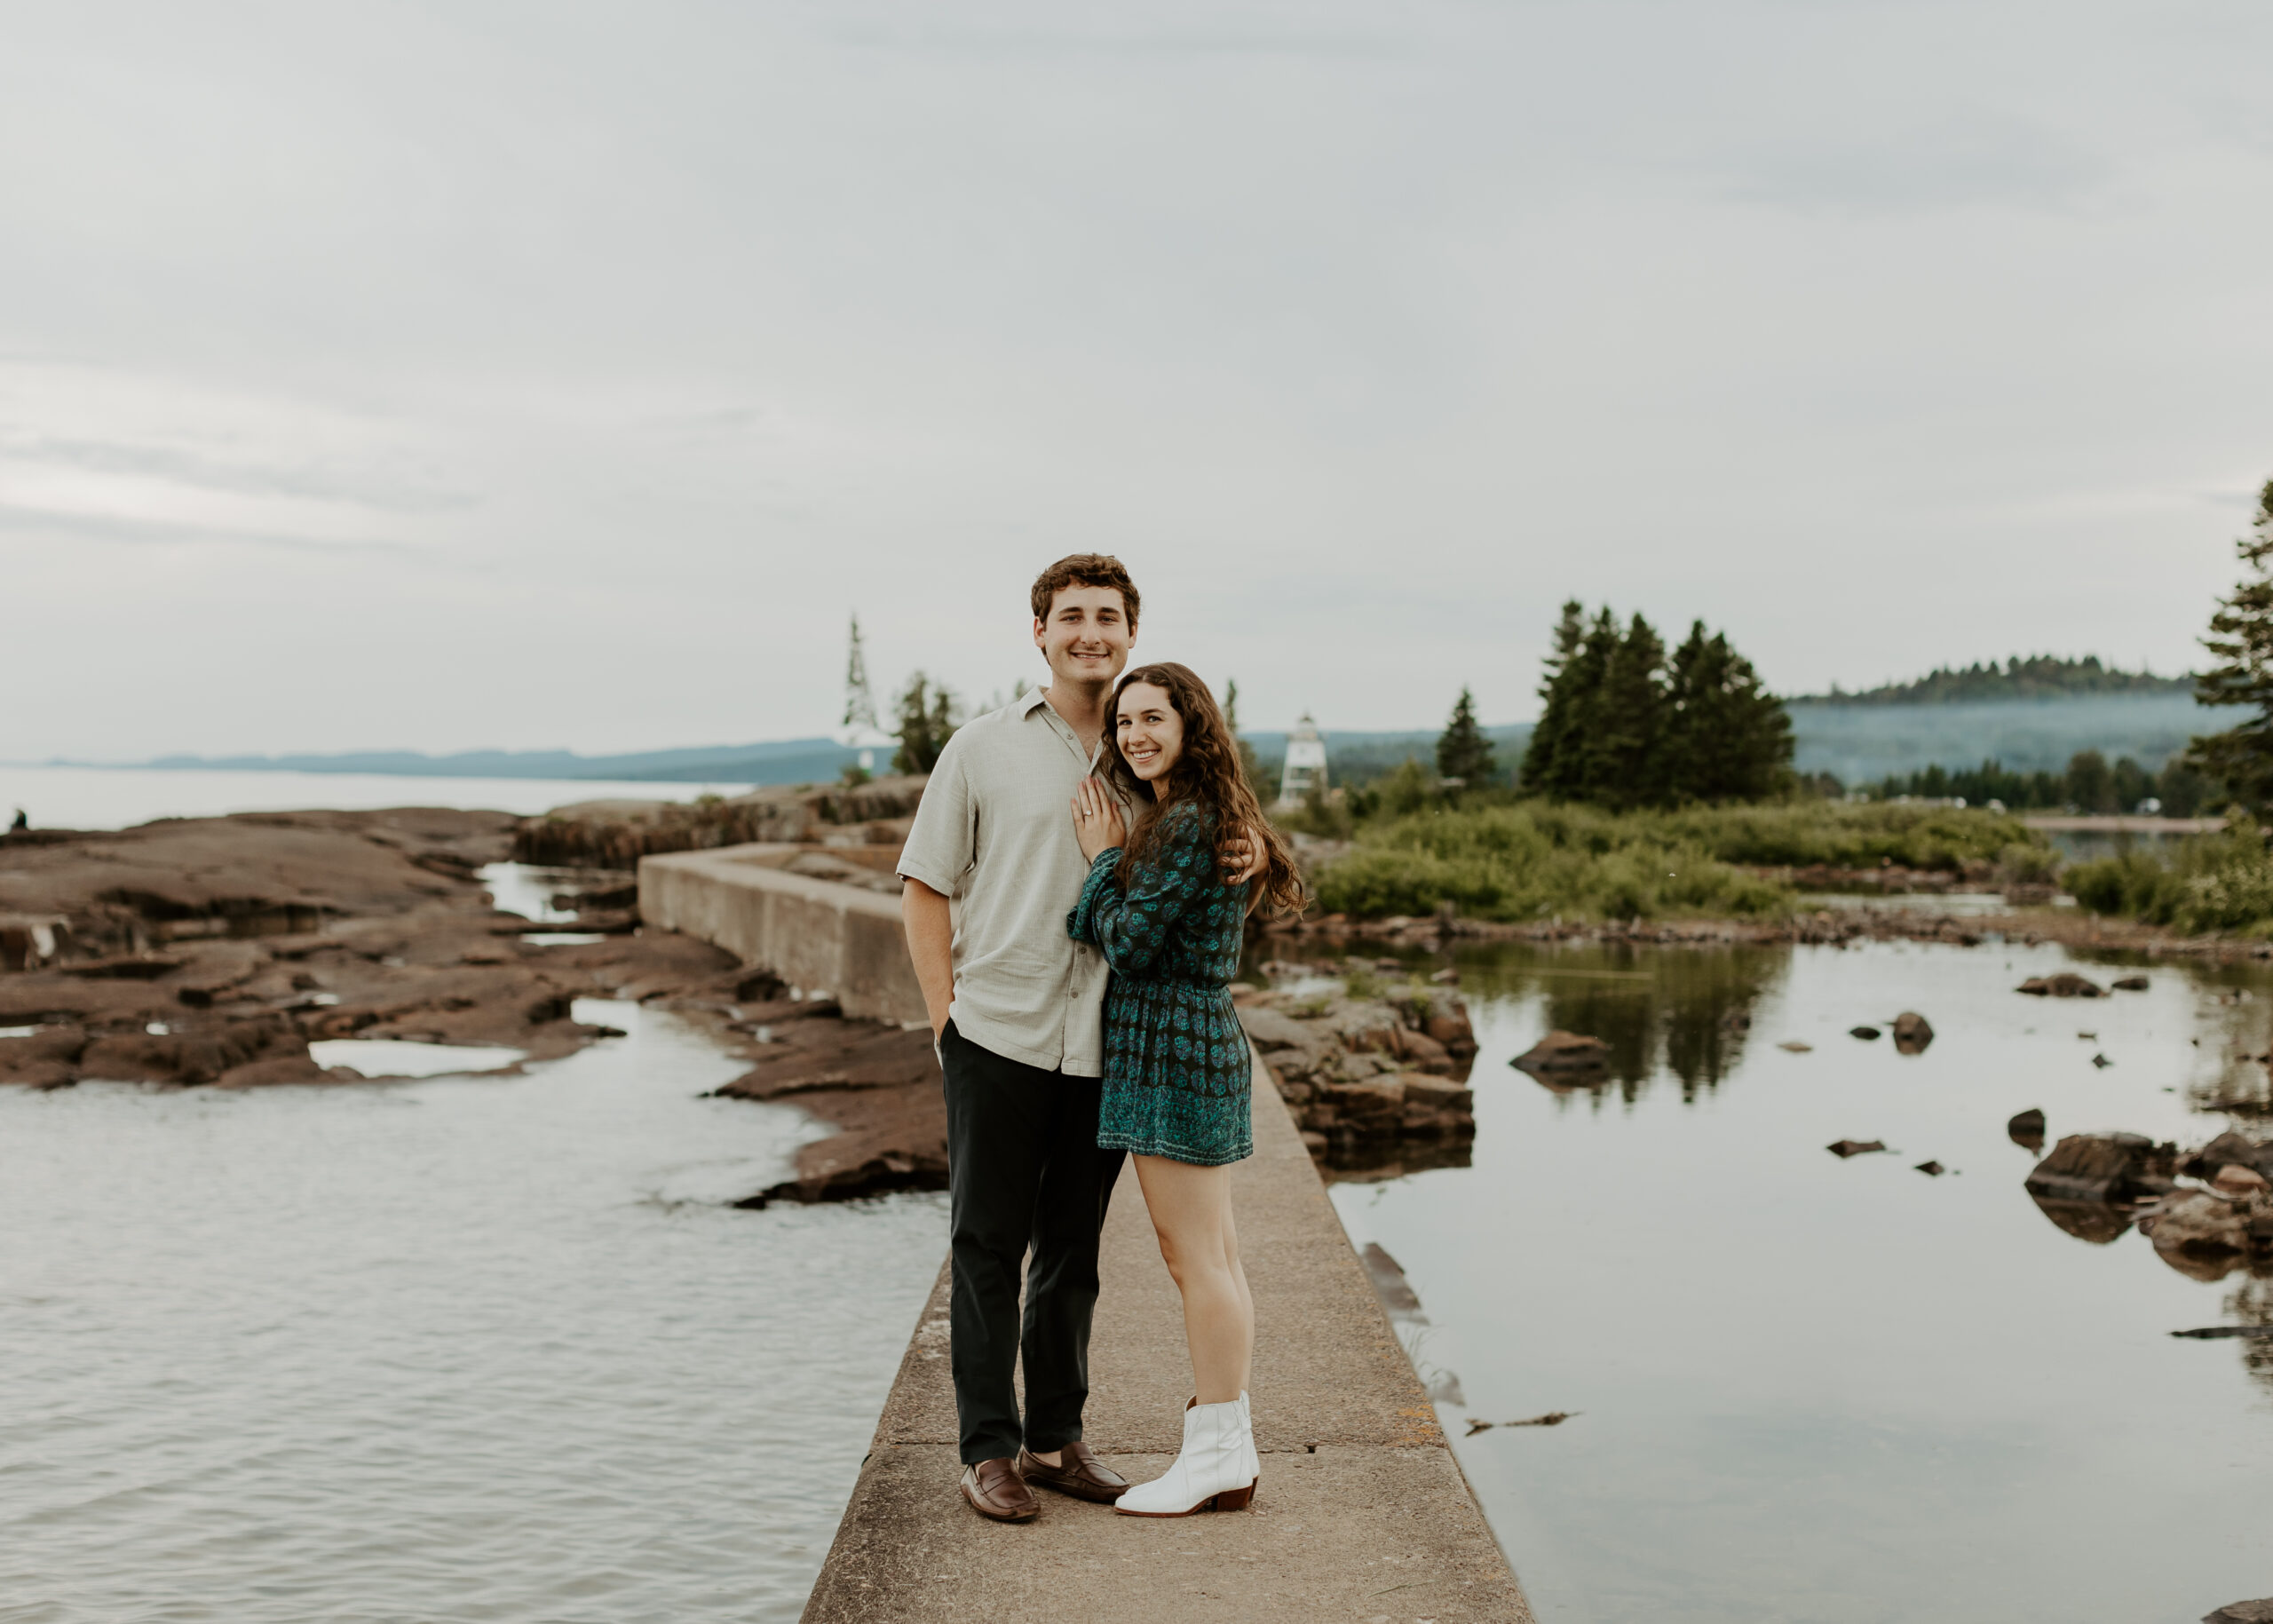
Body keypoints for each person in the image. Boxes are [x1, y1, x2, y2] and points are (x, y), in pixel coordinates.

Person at [895, 555, 1263, 1525]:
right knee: (986, 1246)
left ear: (1132, 632)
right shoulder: (980, 748)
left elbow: (1220, 839)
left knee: (1071, 1251)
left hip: (1108, 1046)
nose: (1089, 633)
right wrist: (944, 1023)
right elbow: (925, 885)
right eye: (1071, 617)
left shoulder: (1157, 756)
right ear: (1040, 632)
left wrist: (1257, 848)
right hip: (997, 1034)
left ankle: (1056, 1439)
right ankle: (988, 1448)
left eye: (1107, 616)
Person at [1067, 662, 1305, 1517]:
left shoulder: (1186, 819)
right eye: (1123, 722)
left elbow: (1130, 943)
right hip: (1189, 1039)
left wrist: (1101, 862)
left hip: (1173, 1046)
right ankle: (1226, 1452)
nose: (1134, 735)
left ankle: (1216, 1456)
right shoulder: (1202, 810)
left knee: (1196, 1259)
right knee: (1215, 1257)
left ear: (1190, 724)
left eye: (1152, 719)